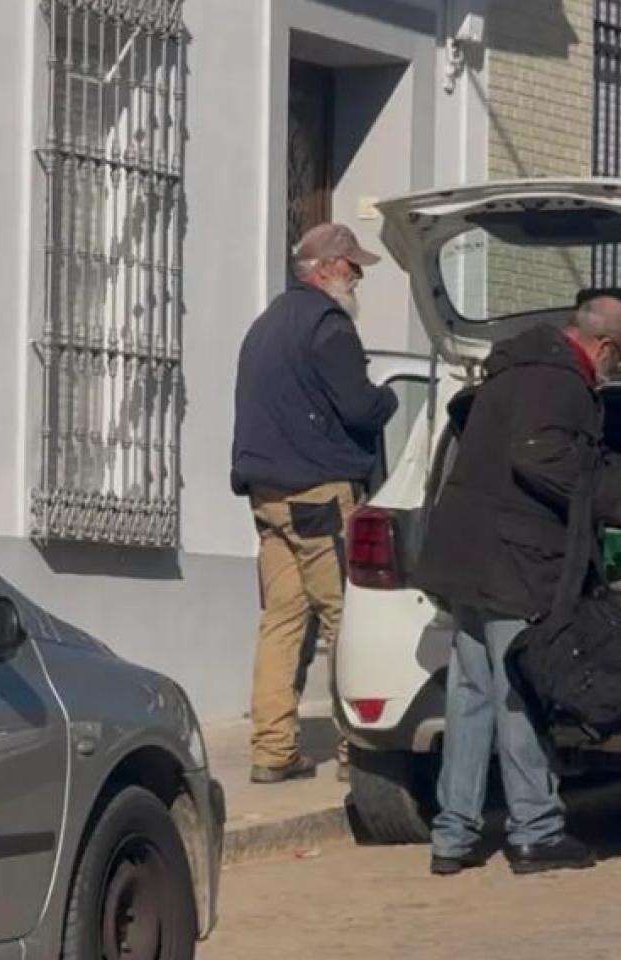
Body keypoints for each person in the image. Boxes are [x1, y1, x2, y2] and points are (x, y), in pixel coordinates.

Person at [412, 288, 621, 875]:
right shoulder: (559, 381)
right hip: (515, 562)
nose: (614, 371)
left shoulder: (514, 370)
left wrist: (617, 468)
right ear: (603, 346)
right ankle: (536, 830)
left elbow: (551, 449)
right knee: (520, 690)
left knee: (470, 696)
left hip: (469, 561)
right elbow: (539, 457)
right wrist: (609, 493)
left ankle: (453, 835)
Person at [230, 223, 400, 784]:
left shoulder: (265, 326)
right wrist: (388, 400)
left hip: (267, 495)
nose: (358, 279)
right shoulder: (329, 326)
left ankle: (272, 748)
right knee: (345, 621)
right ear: (326, 269)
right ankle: (359, 752)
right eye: (354, 269)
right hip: (319, 492)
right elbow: (358, 408)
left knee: (280, 621)